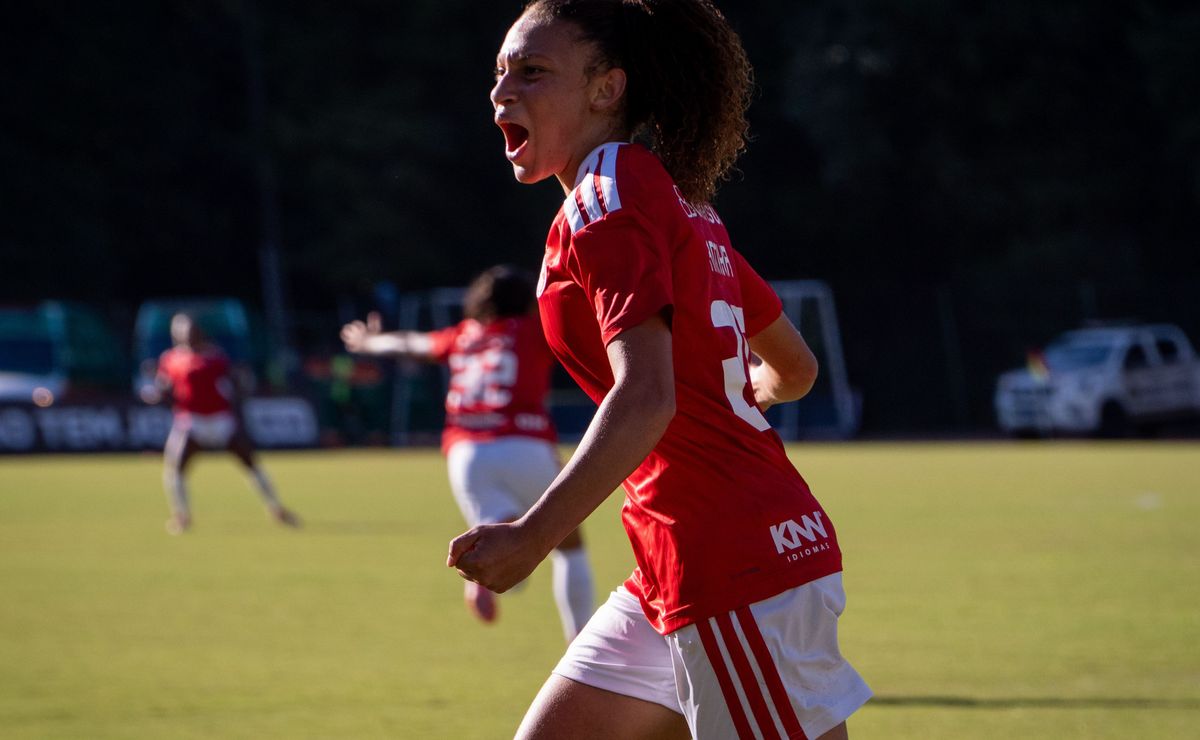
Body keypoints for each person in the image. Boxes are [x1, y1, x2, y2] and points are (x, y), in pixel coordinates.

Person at [446, 2, 872, 738]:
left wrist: (534, 537)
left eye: (534, 71)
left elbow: (646, 397)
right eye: (501, 71)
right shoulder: (677, 201)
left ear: (607, 89)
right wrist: (722, 409)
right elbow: (793, 369)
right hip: (682, 560)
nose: (504, 89)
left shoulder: (607, 199)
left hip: (729, 561)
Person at [340, 266, 595, 643]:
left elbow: (412, 344)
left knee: (499, 533)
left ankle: (483, 573)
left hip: (466, 452)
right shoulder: (532, 329)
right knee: (569, 546)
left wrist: (368, 342)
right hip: (523, 440)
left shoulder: (462, 335)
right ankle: (580, 644)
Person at [149, 312, 300, 535]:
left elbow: (236, 383)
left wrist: (240, 395)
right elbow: (163, 387)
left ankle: (276, 508)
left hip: (220, 420)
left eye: (189, 330)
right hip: (191, 421)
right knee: (175, 468)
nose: (185, 335)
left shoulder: (215, 357)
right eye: (179, 331)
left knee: (251, 464)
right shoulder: (170, 358)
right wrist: (157, 395)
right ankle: (181, 516)